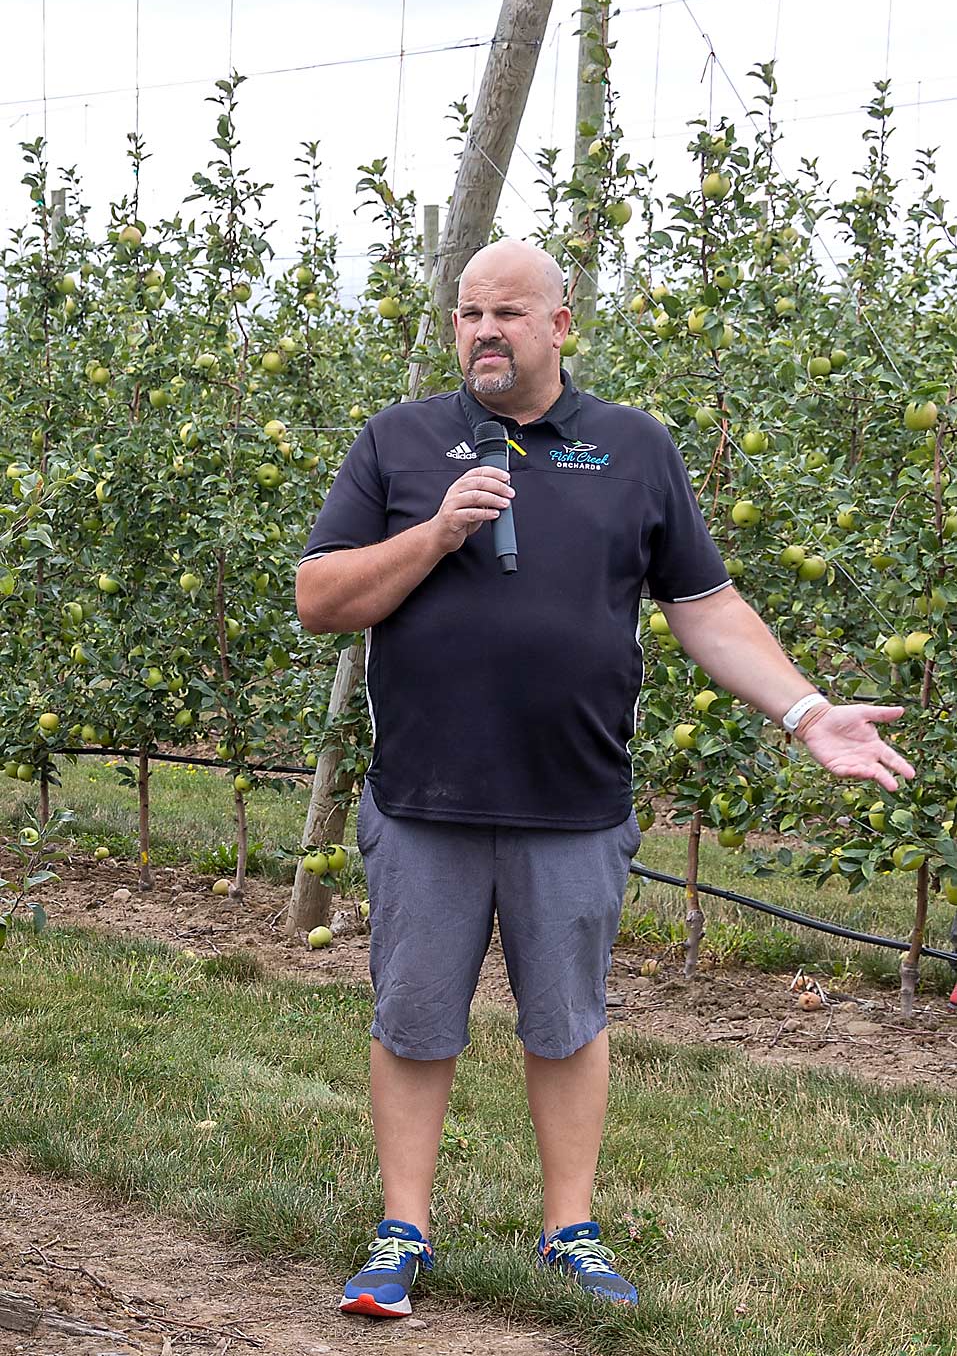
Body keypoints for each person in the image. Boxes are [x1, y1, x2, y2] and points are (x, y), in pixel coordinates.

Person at [295, 239, 914, 1318]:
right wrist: (436, 533)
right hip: (425, 795)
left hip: (574, 798)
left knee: (569, 1019)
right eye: (468, 312)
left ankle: (568, 1229)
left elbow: (706, 608)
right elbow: (322, 597)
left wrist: (808, 711)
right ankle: (403, 1230)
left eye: (509, 312)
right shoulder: (400, 441)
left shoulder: (634, 448)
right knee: (414, 1016)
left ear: (560, 326)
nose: (484, 329)